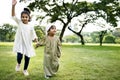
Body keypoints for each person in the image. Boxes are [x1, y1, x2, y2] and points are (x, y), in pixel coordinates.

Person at [12, 0, 38, 76]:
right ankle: (18, 63)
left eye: (26, 17)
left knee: (27, 58)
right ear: (21, 17)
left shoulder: (31, 26)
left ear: (29, 17)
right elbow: (13, 16)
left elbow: (34, 34)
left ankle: (25, 70)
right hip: (20, 43)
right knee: (19, 56)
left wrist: (36, 40)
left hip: (28, 44)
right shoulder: (19, 22)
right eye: (22, 17)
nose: (24, 18)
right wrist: (13, 6)